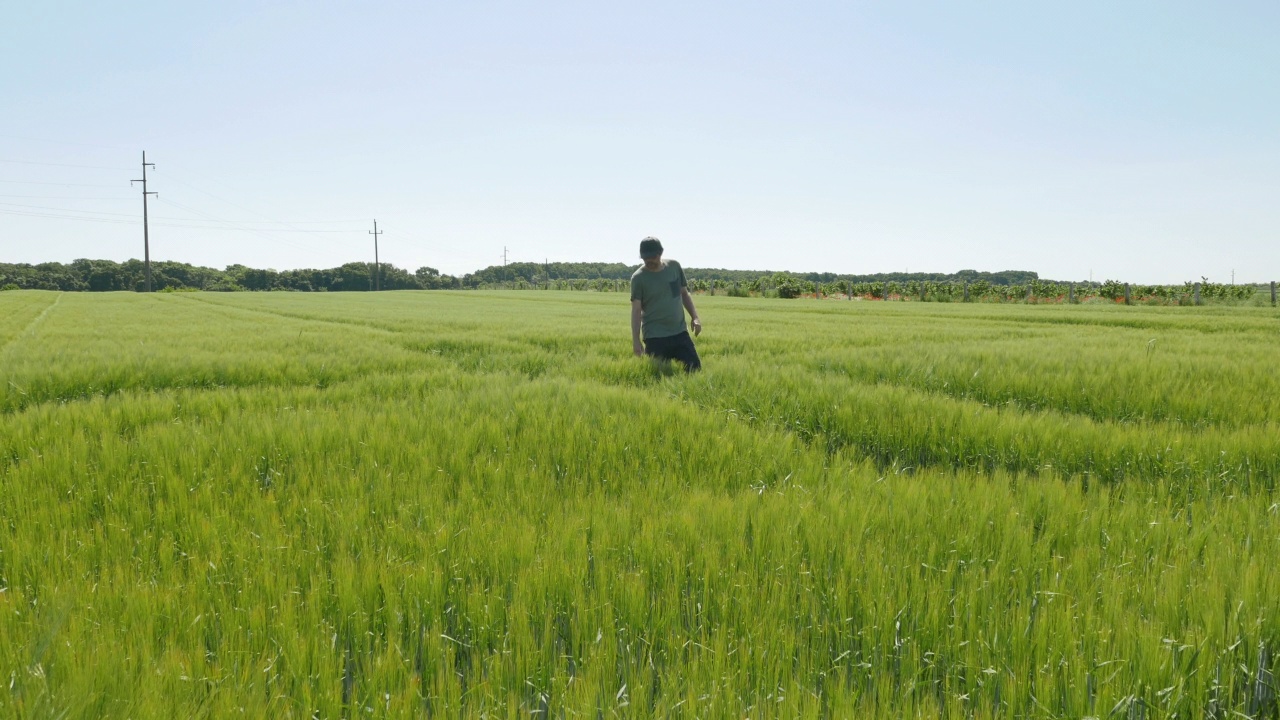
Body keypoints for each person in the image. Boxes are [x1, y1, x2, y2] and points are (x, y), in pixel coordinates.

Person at [630, 237, 702, 372]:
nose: (649, 261)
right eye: (646, 258)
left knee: (695, 370)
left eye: (653, 257)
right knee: (658, 377)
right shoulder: (638, 278)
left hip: (679, 332)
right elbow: (636, 311)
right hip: (655, 337)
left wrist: (695, 317)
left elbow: (684, 294)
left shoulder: (674, 267)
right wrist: (636, 340)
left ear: (660, 253)